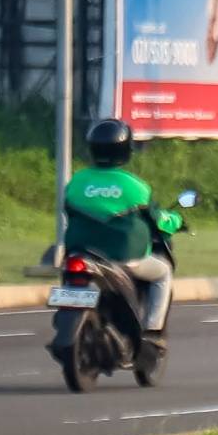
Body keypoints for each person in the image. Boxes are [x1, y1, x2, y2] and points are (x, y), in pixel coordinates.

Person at [58, 118, 176, 333]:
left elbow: (68, 210)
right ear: (126, 149)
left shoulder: (76, 182)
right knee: (163, 272)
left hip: (81, 254)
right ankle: (153, 331)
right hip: (124, 258)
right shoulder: (135, 186)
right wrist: (176, 221)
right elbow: (158, 219)